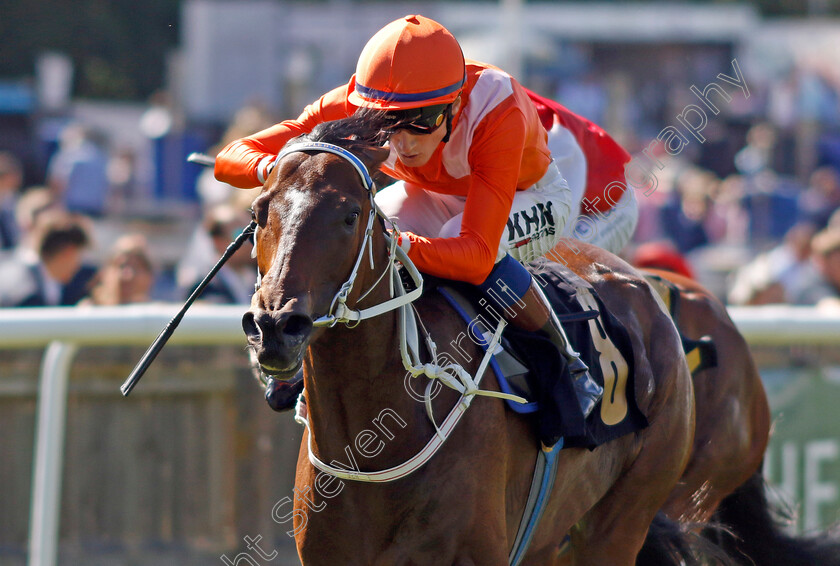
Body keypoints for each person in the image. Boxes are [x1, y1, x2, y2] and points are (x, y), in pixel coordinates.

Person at [215, 15, 635, 416]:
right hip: (434, 193)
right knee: (360, 238)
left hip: (531, 197)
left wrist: (394, 245)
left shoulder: (496, 109)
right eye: (388, 123)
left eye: (423, 121)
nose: (403, 141)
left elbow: (474, 255)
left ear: (455, 103)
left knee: (437, 239)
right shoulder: (350, 105)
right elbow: (229, 158)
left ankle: (568, 365)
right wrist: (276, 170)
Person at [0, 210, 93, 307]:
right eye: (78, 256)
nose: (78, 265)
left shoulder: (62, 287)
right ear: (68, 252)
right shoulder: (22, 291)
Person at [86, 234, 156, 305]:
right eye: (121, 266)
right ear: (105, 273)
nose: (128, 276)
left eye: (136, 268)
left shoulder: (158, 313)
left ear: (149, 277)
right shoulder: (87, 312)